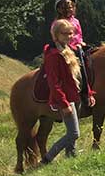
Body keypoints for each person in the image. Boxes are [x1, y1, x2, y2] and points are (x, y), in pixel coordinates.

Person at [40, 19, 96, 165]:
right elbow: (54, 83)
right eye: (64, 34)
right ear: (56, 35)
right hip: (65, 98)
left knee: (73, 132)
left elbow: (80, 74)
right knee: (74, 133)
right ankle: (47, 159)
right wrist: (64, 104)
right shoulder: (53, 55)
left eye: (71, 33)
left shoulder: (70, 49)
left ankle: (70, 157)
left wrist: (88, 92)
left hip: (75, 94)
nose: (69, 36)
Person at [52, 0, 90, 106]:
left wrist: (80, 43)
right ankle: (85, 92)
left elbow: (79, 34)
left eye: (71, 7)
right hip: (64, 47)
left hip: (77, 46)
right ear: (59, 9)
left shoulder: (76, 21)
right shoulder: (57, 23)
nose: (69, 10)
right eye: (65, 8)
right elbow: (55, 37)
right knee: (79, 64)